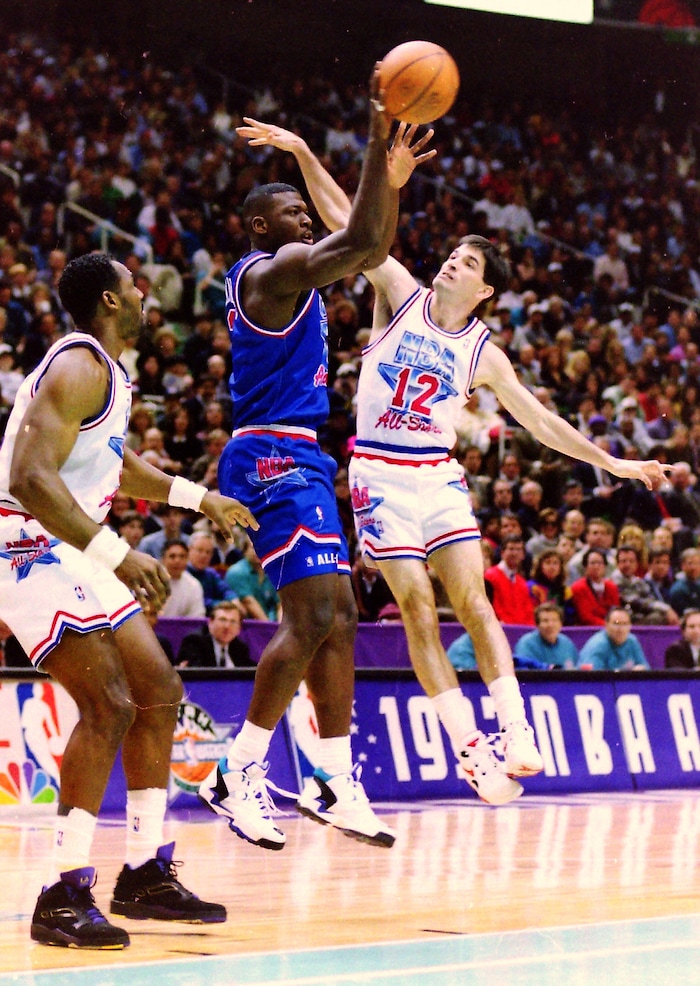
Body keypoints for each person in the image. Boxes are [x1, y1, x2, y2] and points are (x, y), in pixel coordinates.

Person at [240, 118, 669, 808]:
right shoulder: (399, 292)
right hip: (379, 472)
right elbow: (348, 222)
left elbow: (541, 422)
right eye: (452, 256)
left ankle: (516, 729)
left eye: (467, 265)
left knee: (474, 603)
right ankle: (470, 751)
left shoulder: (483, 352)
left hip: (437, 475)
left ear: (485, 290)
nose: (451, 265)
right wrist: (304, 154)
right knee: (417, 607)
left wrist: (614, 465)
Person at [0, 253, 258, 948]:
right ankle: (61, 891)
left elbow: (117, 463)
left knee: (158, 691)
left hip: (69, 544)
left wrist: (198, 497)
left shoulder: (107, 374)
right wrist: (116, 552)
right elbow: (28, 479)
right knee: (109, 704)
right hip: (23, 541)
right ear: (111, 301)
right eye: (134, 284)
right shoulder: (77, 365)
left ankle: (143, 870)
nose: (145, 292)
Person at [198, 70, 399, 852]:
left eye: (304, 213)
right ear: (259, 225)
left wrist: (379, 174)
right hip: (270, 454)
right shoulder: (269, 272)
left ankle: (332, 779)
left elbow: (366, 242)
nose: (303, 220)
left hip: (302, 453)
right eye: (291, 212)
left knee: (340, 617)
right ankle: (237, 769)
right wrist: (377, 143)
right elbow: (362, 243)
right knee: (314, 616)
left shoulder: (294, 278)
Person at [177, 600, 256, 668]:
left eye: (233, 622)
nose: (227, 626)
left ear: (239, 628)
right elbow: (198, 673)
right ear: (210, 623)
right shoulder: (195, 642)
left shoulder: (240, 648)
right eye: (222, 620)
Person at [225, 532, 281, 621]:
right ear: (245, 550)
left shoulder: (274, 571)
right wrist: (269, 627)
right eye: (253, 547)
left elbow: (280, 604)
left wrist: (280, 625)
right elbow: (248, 602)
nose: (258, 551)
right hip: (247, 624)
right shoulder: (236, 571)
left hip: (273, 622)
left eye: (262, 547)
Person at [578, 607, 650, 670]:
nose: (621, 629)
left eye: (625, 624)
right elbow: (591, 677)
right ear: (606, 625)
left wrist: (641, 670)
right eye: (616, 623)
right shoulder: (598, 645)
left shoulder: (632, 641)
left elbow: (645, 668)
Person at [513, 602, 580, 669]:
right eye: (545, 621)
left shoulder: (567, 644)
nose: (550, 625)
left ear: (561, 624)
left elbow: (575, 668)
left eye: (554, 620)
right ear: (537, 625)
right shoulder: (526, 644)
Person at [570, 548, 621, 625]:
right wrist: (609, 625)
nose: (596, 566)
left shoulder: (612, 587)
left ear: (605, 566)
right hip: (587, 629)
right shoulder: (578, 587)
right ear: (585, 567)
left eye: (600, 563)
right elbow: (586, 617)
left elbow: (616, 612)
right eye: (593, 563)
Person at [158, 539, 206, 618]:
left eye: (182, 557)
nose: (177, 561)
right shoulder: (151, 581)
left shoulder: (194, 585)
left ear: (187, 560)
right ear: (163, 560)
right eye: (172, 556)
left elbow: (197, 617)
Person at [669, 547, 700, 616]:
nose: (694, 567)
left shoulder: (698, 583)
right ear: (682, 566)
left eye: (697, 563)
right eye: (690, 563)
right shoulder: (678, 589)